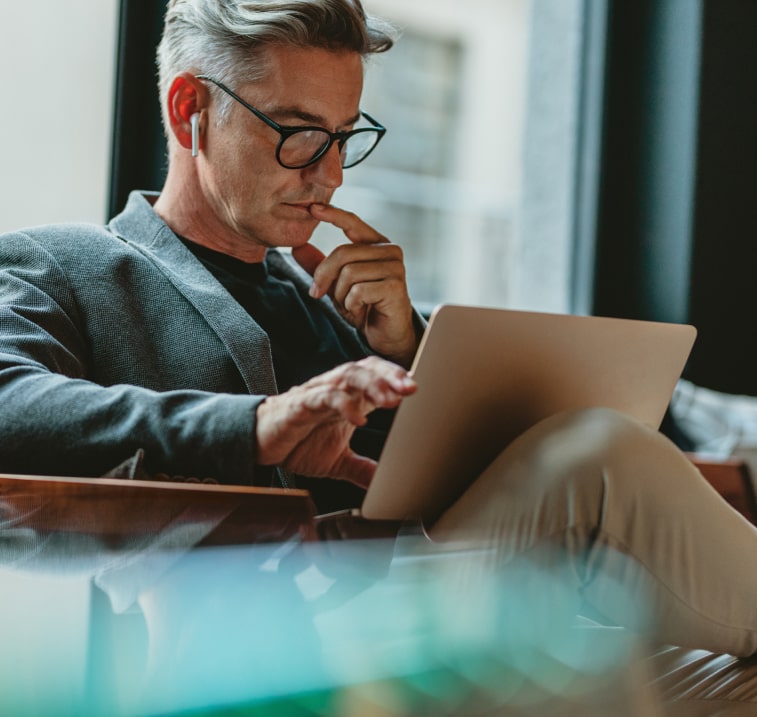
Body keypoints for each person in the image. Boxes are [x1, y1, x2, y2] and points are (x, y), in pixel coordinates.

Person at [1, 1, 757, 709]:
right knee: (599, 456)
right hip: (286, 644)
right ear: (189, 109)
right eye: (298, 132)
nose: (328, 173)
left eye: (343, 136)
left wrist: (412, 348)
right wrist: (254, 424)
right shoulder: (65, 267)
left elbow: (462, 482)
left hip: (450, 606)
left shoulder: (335, 298)